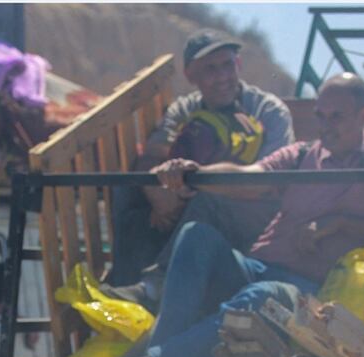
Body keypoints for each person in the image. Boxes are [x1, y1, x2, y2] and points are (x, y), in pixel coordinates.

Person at [97, 73, 364, 357]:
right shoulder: (303, 155)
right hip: (259, 266)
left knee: (262, 297)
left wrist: (339, 224)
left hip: (312, 290)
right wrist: (195, 173)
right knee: (196, 237)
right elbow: (250, 178)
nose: (326, 126)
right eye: (321, 116)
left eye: (337, 117)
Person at [105, 29, 294, 290]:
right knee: (127, 190)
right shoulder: (184, 109)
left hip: (251, 210)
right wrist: (158, 195)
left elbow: (268, 181)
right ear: (191, 76)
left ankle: (154, 286)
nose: (222, 77)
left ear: (238, 65)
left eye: (228, 65)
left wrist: (195, 186)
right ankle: (121, 289)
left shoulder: (268, 110)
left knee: (208, 197)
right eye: (210, 69)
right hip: (190, 200)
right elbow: (154, 155)